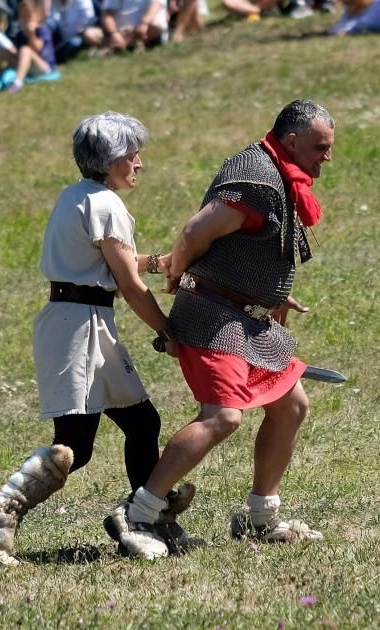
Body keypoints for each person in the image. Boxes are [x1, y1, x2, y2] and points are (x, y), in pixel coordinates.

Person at [114, 100, 336, 560]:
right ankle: (139, 512)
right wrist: (176, 272)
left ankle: (261, 516)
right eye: (320, 147)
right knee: (222, 417)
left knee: (291, 404)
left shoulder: (279, 173)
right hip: (213, 317)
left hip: (244, 317)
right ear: (292, 141)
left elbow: (249, 249)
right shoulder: (257, 179)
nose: (326, 157)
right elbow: (197, 230)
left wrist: (270, 294)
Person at [0, 111, 193, 567]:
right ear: (110, 160)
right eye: (132, 155)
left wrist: (158, 263)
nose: (139, 163)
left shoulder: (77, 196)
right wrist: (167, 329)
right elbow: (128, 285)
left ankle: (145, 516)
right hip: (80, 326)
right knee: (76, 444)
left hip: (79, 319)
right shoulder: (108, 205)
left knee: (142, 423)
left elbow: (113, 265)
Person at [0, 0, 58, 94]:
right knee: (3, 51)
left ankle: (18, 82)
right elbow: (19, 53)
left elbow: (39, 50)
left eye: (28, 17)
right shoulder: (20, 33)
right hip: (28, 65)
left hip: (44, 67)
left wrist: (31, 34)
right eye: (22, 17)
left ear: (38, 18)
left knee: (26, 49)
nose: (25, 20)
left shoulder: (43, 30)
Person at [99, 0, 167, 52]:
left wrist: (144, 23)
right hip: (123, 31)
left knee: (155, 26)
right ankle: (128, 44)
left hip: (148, 28)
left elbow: (156, 4)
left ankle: (125, 45)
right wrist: (114, 33)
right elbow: (107, 14)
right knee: (92, 34)